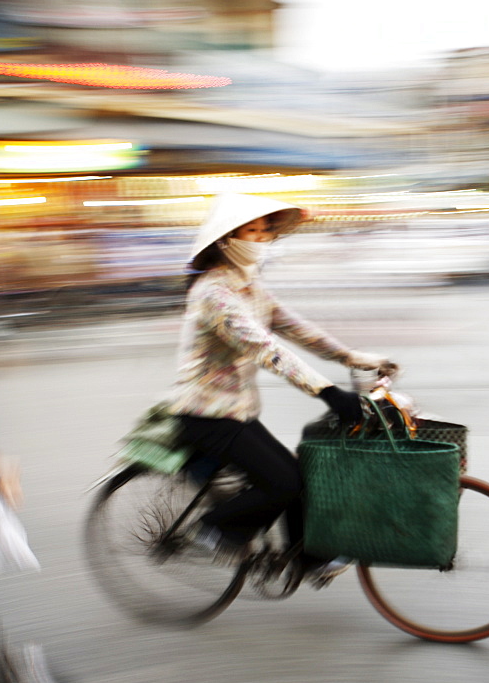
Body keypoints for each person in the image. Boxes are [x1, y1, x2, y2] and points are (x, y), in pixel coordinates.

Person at [169, 192, 398, 581]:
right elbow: (265, 349)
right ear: (226, 239)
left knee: (296, 472)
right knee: (283, 483)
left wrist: (351, 357)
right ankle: (213, 528)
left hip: (238, 412)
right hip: (206, 414)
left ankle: (310, 557)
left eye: (264, 231)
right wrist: (327, 391)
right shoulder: (213, 294)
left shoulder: (249, 285)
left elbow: (294, 327)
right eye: (250, 231)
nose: (259, 239)